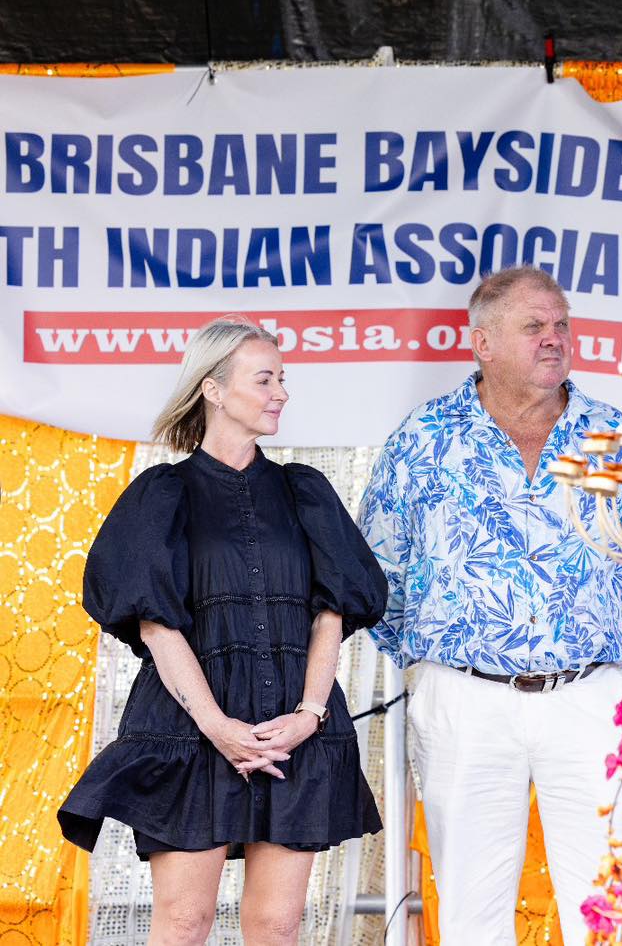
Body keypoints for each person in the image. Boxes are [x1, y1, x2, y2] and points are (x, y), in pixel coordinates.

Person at [58, 317, 386, 946]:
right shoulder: (162, 494)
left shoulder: (305, 492)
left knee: (276, 925)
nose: (281, 393)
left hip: (293, 729)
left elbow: (333, 612)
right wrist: (217, 726)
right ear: (212, 388)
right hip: (190, 729)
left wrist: (310, 714)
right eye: (265, 379)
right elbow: (156, 624)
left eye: (283, 379)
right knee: (185, 923)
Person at [361, 265, 622, 944]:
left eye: (561, 324)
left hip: (589, 695)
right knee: (472, 912)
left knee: (611, 909)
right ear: (483, 342)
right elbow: (377, 564)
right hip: (464, 699)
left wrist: (606, 662)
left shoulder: (612, 435)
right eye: (534, 326)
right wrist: (434, 664)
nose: (554, 338)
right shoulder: (425, 436)